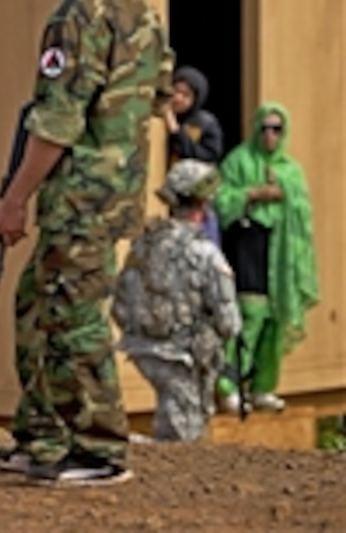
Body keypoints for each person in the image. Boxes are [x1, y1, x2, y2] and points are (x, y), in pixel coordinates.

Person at [0, 0, 174, 486]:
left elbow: (57, 122)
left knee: (74, 314)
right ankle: (42, 434)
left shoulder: (75, 15)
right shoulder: (137, 7)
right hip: (113, 190)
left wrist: (14, 200)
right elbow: (161, 92)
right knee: (36, 301)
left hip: (80, 198)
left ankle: (98, 448)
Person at [112, 160, 242, 442]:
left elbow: (120, 304)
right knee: (184, 440)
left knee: (175, 426)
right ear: (204, 203)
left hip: (142, 347)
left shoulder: (144, 244)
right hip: (182, 357)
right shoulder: (205, 253)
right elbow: (229, 322)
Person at [214, 102, 319, 414]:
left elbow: (303, 210)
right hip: (249, 244)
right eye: (265, 128)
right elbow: (220, 201)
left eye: (277, 129)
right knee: (249, 315)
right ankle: (230, 385)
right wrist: (253, 193)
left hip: (283, 254)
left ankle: (263, 387)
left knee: (275, 320)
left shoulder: (291, 169)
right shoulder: (238, 161)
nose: (271, 135)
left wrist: (285, 191)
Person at [165, 65, 224, 245]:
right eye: (176, 91)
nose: (178, 98)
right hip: (170, 199)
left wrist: (177, 133)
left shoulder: (205, 123)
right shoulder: (161, 120)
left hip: (196, 203)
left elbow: (206, 158)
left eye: (186, 95)